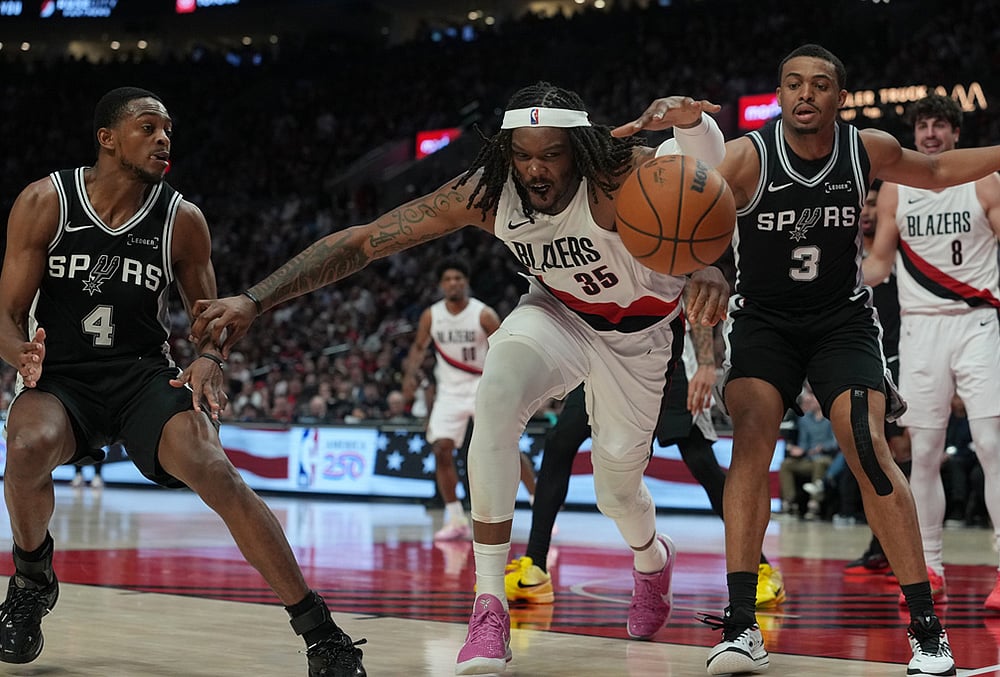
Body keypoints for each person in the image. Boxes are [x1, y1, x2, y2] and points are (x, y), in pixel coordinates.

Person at [188, 81, 730, 675]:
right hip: (557, 315)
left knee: (616, 493)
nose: (535, 169)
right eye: (522, 154)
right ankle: (489, 605)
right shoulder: (489, 191)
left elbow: (702, 193)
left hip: (637, 337)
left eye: (550, 154)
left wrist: (706, 259)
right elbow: (367, 241)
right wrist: (254, 299)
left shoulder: (621, 173)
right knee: (493, 394)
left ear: (579, 148)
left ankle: (651, 560)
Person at [631, 43, 1000, 675]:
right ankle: (744, 625)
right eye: (794, 83)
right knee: (752, 440)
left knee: (866, 441)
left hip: (842, 321)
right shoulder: (749, 156)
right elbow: (679, 209)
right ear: (780, 94)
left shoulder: (866, 150)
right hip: (765, 323)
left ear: (839, 96)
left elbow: (937, 173)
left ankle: (928, 633)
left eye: (821, 84)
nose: (806, 93)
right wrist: (703, 266)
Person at [0, 87, 365, 676]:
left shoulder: (182, 219)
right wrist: (21, 354)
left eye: (168, 129)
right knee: (25, 445)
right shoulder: (46, 201)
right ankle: (32, 576)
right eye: (148, 127)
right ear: (107, 138)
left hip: (143, 375)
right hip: (62, 376)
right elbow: (7, 314)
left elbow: (208, 320)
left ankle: (320, 631)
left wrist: (211, 359)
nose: (164, 139)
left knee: (215, 469)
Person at [505, 321, 787, 610]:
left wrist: (705, 364)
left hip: (668, 355)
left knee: (700, 461)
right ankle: (536, 565)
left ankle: (759, 570)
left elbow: (693, 292)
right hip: (606, 355)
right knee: (559, 443)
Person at [863, 93, 1000, 609]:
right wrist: (833, 278)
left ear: (955, 134)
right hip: (920, 330)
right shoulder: (896, 189)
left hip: (977, 322)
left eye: (940, 125)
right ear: (913, 135)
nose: (930, 134)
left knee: (991, 445)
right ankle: (931, 567)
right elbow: (878, 265)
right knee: (922, 454)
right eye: (923, 127)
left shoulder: (983, 179)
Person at [401, 259, 508, 541]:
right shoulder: (431, 316)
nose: (453, 283)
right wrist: (408, 380)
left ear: (466, 282)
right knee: (441, 449)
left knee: (504, 449)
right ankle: (456, 517)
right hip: (449, 391)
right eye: (448, 278)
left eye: (458, 278)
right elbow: (418, 348)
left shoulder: (483, 314)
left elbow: (505, 351)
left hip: (482, 386)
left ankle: (535, 503)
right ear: (441, 284)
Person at [843, 180, 910, 577]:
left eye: (872, 204)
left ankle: (889, 545)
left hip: (901, 355)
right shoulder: (842, 252)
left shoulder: (896, 253)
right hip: (863, 358)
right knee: (869, 452)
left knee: (894, 451)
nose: (866, 211)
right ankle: (880, 544)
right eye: (861, 205)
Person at [779, 389, 838, 519]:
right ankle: (789, 503)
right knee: (786, 464)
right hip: (808, 458)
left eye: (814, 398)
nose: (810, 400)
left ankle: (814, 504)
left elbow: (834, 443)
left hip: (827, 458)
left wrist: (821, 447)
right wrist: (798, 449)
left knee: (819, 463)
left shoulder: (831, 418)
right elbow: (803, 443)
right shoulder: (805, 420)